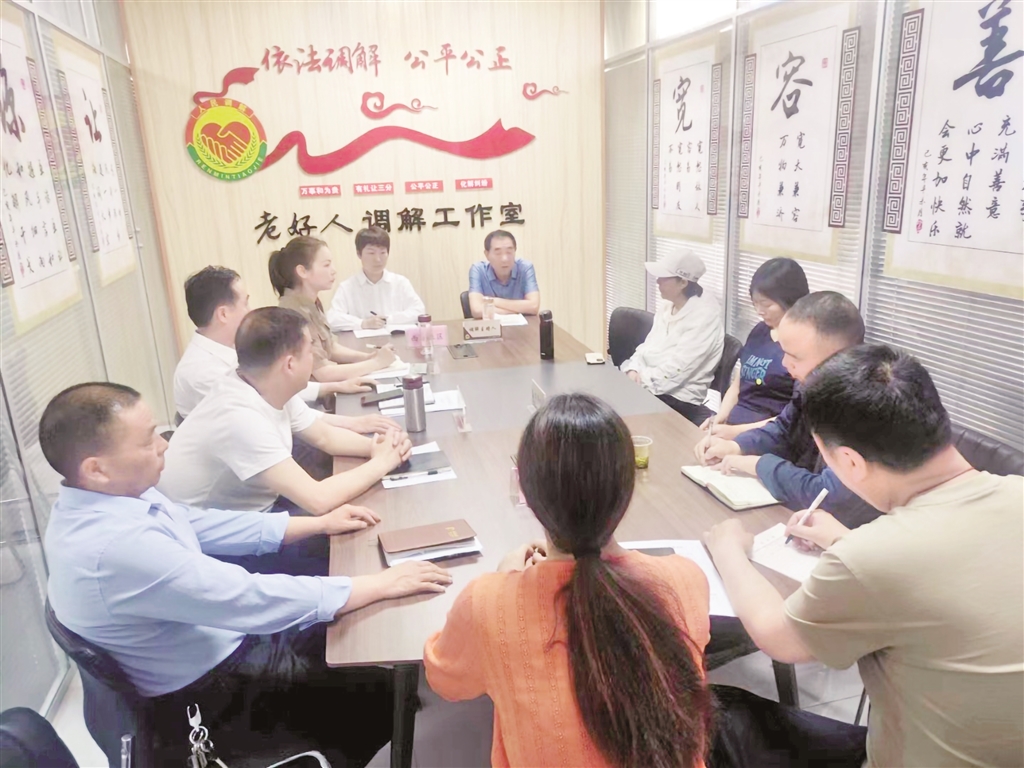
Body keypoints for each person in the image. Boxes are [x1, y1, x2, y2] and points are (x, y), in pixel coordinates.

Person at [40, 381, 452, 764]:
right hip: (212, 695)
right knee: (383, 697)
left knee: (348, 634)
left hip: (214, 643)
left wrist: (316, 524)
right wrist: (376, 585)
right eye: (148, 440)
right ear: (96, 468)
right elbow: (246, 598)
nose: (164, 444)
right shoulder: (116, 548)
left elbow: (198, 524)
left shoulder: (100, 500)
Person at [704, 345, 1024, 767]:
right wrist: (844, 540)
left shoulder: (874, 556)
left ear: (850, 462)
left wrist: (729, 550)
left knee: (713, 710)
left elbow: (777, 637)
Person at [424, 393, 714, 768]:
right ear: (627, 488)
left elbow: (444, 677)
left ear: (526, 492)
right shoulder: (685, 580)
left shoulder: (487, 603)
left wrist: (502, 581)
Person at [159, 307, 410, 516]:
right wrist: (381, 462)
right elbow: (318, 499)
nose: (315, 357)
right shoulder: (239, 417)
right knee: (360, 522)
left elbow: (326, 437)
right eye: (310, 350)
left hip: (261, 508)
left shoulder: (267, 383)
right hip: (222, 539)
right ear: (290, 364)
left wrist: (382, 447)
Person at [694, 291, 880, 526]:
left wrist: (759, 465)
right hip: (803, 515)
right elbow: (784, 429)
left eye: (795, 357)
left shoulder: (867, 407)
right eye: (784, 352)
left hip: (846, 531)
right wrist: (736, 446)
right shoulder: (812, 383)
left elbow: (828, 495)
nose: (784, 363)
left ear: (838, 359)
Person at [174, 266, 376, 419]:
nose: (250, 310)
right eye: (245, 303)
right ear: (223, 314)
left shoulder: (233, 347)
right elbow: (270, 407)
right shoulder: (202, 373)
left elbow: (279, 391)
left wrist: (334, 387)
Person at [701, 257, 809, 436]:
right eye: (755, 303)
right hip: (733, 428)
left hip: (768, 437)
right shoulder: (760, 331)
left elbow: (791, 419)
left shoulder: (804, 343)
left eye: (766, 304)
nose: (759, 311)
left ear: (791, 300)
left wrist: (733, 432)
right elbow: (738, 385)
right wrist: (720, 418)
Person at [270, 236, 398, 383]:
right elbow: (323, 373)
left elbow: (330, 347)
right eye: (326, 265)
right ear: (302, 271)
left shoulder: (309, 303)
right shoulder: (293, 314)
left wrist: (368, 357)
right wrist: (377, 363)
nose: (333, 271)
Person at [620, 250, 724, 426]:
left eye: (663, 277)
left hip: (678, 397)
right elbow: (646, 348)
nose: (657, 281)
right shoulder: (668, 306)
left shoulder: (704, 316)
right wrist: (633, 369)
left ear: (683, 282)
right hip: (651, 386)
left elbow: (677, 371)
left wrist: (639, 381)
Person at [326, 226, 426, 331]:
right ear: (359, 254)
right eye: (371, 253)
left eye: (382, 253)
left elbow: (419, 311)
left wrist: (388, 320)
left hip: (397, 340)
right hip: (361, 341)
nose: (378, 259)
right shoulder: (347, 287)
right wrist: (363, 323)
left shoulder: (400, 283)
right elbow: (332, 318)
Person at [467, 229, 540, 318]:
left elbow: (534, 306)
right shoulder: (478, 270)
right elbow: (477, 310)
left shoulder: (525, 268)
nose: (504, 259)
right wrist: (518, 310)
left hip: (522, 326)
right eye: (498, 253)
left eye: (509, 252)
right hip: (490, 326)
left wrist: (494, 301)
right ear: (487, 254)